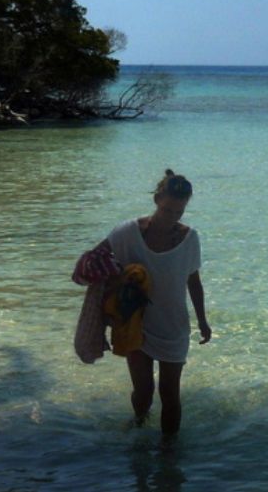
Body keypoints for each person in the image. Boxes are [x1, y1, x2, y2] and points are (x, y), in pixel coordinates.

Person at [98, 169, 212, 441]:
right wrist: (101, 314)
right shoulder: (128, 232)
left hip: (173, 326)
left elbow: (193, 281)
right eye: (168, 210)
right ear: (157, 199)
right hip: (136, 322)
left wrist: (203, 321)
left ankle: (169, 454)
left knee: (170, 394)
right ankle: (138, 428)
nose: (172, 218)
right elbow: (96, 258)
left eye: (179, 212)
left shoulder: (189, 238)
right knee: (143, 391)